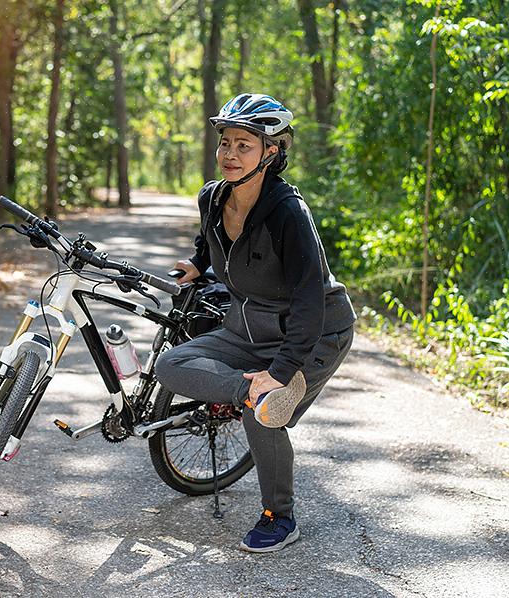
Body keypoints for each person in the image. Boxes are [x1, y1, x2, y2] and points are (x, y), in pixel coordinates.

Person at [154, 93, 356, 553]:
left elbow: (311, 304)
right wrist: (197, 264)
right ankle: (249, 391)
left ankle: (279, 518)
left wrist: (281, 374)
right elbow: (211, 245)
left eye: (244, 145)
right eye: (225, 142)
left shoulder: (289, 213)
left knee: (264, 410)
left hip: (316, 332)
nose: (229, 153)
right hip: (246, 329)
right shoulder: (213, 197)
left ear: (271, 153)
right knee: (171, 365)